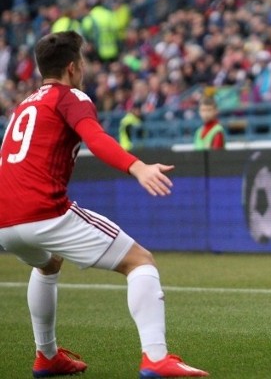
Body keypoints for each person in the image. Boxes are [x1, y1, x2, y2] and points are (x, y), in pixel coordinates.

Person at [0, 31, 207, 377]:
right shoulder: (71, 97)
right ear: (71, 68)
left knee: (48, 265)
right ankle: (156, 358)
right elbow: (95, 137)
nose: (83, 69)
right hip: (44, 212)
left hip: (5, 220)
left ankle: (47, 356)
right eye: (81, 63)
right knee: (140, 261)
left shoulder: (25, 104)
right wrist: (137, 167)